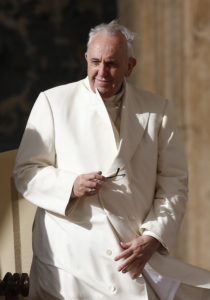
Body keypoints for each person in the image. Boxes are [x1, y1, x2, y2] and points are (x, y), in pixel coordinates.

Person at [14, 20, 210, 300]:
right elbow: (26, 173)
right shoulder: (52, 102)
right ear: (85, 59)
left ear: (130, 66)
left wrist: (153, 237)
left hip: (133, 254)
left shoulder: (157, 110)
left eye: (112, 64)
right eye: (95, 62)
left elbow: (174, 183)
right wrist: (71, 185)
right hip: (71, 260)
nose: (101, 72)